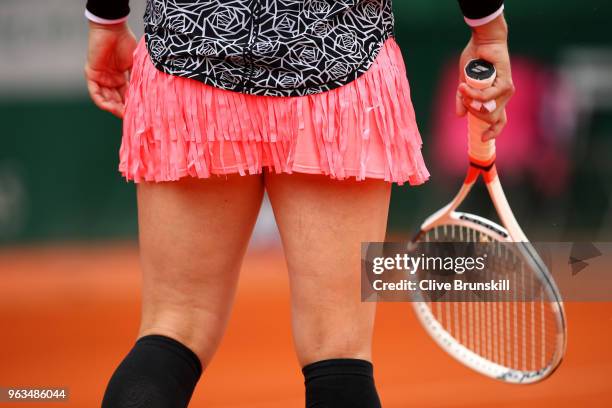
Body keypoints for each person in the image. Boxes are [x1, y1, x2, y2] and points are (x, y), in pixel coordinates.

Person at [84, 1, 514, 407]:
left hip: (188, 52)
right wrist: (487, 29)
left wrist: (106, 17)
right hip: (341, 55)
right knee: (338, 351)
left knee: (173, 330)